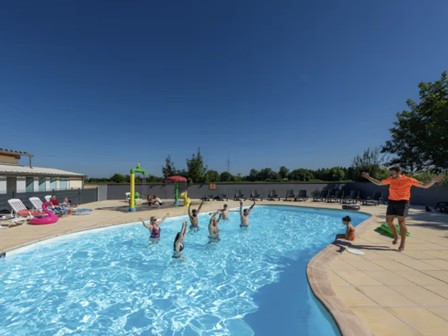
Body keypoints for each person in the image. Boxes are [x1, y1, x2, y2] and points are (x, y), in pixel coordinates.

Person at [362, 166, 443, 251]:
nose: (391, 174)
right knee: (388, 222)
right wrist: (368, 177)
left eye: (392, 172)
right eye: (391, 172)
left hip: (403, 202)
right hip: (392, 202)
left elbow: (424, 186)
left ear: (398, 172)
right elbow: (378, 183)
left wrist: (433, 181)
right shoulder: (390, 179)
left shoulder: (408, 180)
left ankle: (402, 243)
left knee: (401, 223)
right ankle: (397, 236)